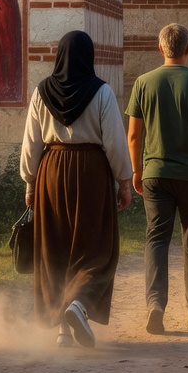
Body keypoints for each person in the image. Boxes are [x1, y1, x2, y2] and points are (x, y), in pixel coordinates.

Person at [20, 31, 133, 348]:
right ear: (89, 56)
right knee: (97, 246)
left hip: (51, 172)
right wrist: (124, 181)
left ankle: (62, 330)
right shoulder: (102, 92)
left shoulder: (41, 92)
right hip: (91, 173)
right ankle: (78, 304)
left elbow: (31, 144)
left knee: (55, 248)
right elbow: (113, 142)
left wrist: (30, 183)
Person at [125, 23, 188, 334]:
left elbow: (133, 134)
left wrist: (137, 169)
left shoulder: (143, 82)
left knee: (156, 239)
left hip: (155, 173)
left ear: (160, 49)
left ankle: (155, 303)